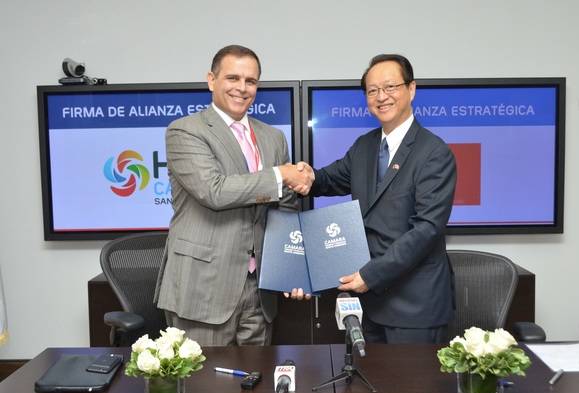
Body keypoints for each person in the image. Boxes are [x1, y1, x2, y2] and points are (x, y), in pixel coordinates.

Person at [290, 54, 457, 344]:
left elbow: (426, 230)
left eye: (390, 87)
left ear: (412, 89)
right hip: (367, 305)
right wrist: (304, 175)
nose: (382, 97)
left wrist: (371, 275)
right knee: (367, 387)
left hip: (414, 307)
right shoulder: (365, 146)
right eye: (372, 91)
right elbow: (330, 179)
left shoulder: (434, 153)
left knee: (412, 390)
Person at [154, 45, 313, 346]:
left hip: (259, 289)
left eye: (250, 81)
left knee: (255, 384)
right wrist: (281, 175)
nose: (242, 88)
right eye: (233, 78)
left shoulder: (273, 137)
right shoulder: (185, 131)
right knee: (204, 388)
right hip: (204, 288)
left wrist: (291, 268)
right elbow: (214, 190)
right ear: (211, 80)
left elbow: (286, 209)